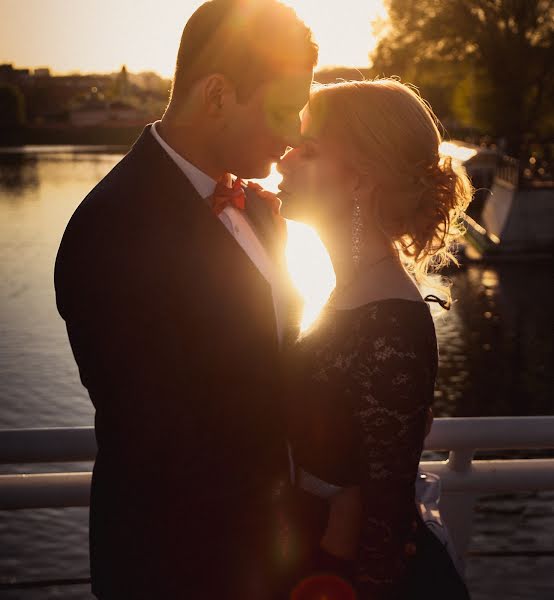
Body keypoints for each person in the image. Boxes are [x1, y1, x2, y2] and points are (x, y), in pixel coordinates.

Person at [54, 1, 317, 597]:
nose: (295, 133)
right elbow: (159, 431)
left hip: (269, 557)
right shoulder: (112, 227)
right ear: (219, 95)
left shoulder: (261, 212)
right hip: (174, 564)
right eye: (284, 109)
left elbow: (275, 363)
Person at [278, 79, 473, 599]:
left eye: (308, 150)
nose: (283, 160)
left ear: (360, 180)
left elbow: (385, 519)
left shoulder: (390, 319)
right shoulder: (353, 294)